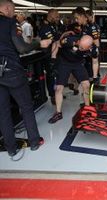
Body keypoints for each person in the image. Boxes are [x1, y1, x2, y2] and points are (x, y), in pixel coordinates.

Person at [0, 0, 51, 157]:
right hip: (12, 71)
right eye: (14, 9)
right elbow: (22, 48)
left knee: (3, 112)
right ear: (7, 8)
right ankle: (34, 141)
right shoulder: (10, 22)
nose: (14, 13)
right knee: (27, 107)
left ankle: (11, 148)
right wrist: (38, 43)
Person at [48, 34, 93, 124]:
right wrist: (53, 60)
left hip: (78, 63)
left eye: (83, 48)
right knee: (59, 88)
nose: (80, 48)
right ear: (79, 41)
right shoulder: (69, 40)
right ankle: (58, 113)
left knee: (86, 85)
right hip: (64, 62)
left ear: (89, 47)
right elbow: (56, 43)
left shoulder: (93, 49)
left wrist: (95, 77)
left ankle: (87, 109)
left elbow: (95, 61)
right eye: (80, 46)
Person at [39, 9, 61, 105]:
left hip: (55, 54)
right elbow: (53, 40)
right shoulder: (45, 27)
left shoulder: (52, 25)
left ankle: (57, 93)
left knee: (57, 74)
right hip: (48, 55)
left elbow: (57, 37)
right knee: (51, 75)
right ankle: (52, 95)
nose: (57, 19)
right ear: (51, 15)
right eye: (56, 17)